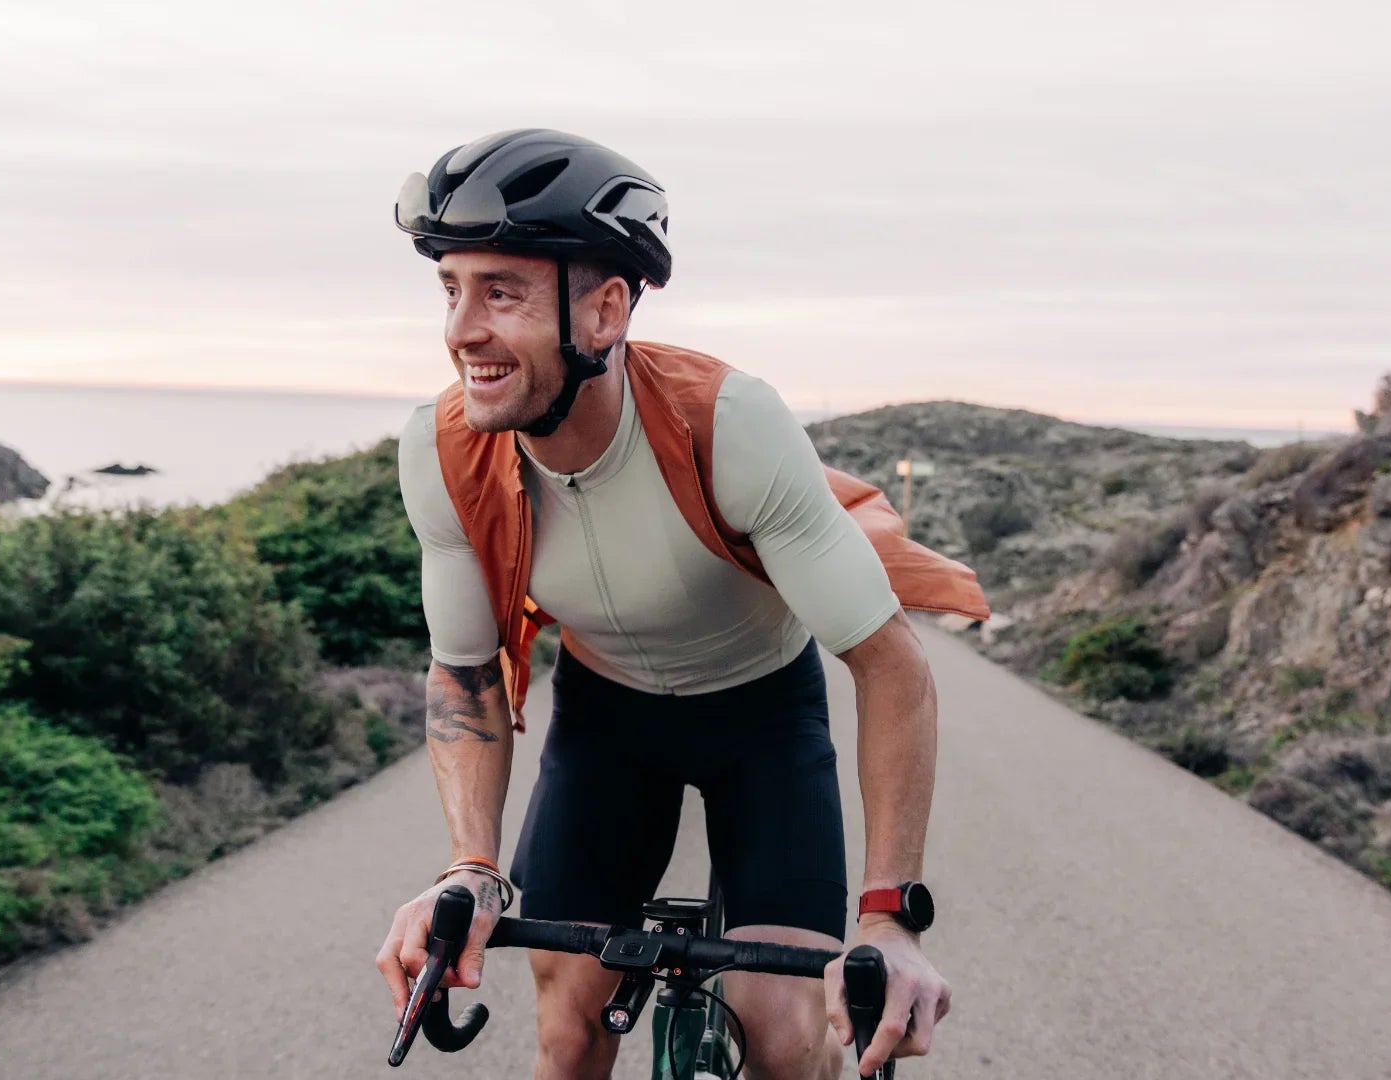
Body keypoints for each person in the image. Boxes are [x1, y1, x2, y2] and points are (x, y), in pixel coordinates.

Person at [375, 128, 986, 1079]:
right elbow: (464, 674)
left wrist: (887, 917)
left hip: (761, 720)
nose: (460, 330)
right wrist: (470, 867)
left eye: (502, 291)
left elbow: (889, 661)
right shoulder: (442, 449)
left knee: (786, 1034)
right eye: (450, 290)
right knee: (572, 1028)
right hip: (606, 724)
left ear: (607, 309)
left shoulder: (728, 424)